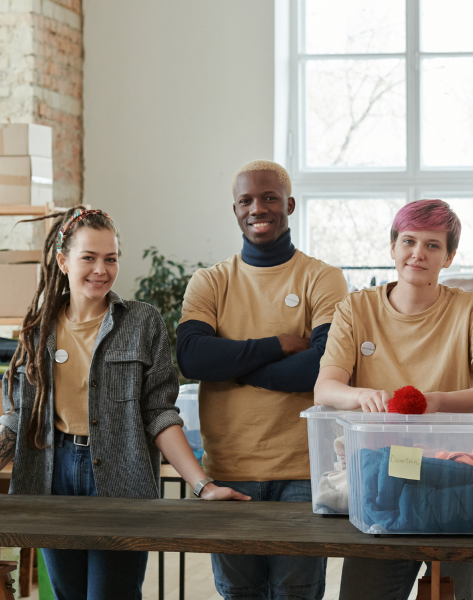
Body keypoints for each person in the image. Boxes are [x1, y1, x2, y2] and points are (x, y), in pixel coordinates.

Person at [0, 207, 248, 600]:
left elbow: (159, 414)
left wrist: (203, 485)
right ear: (63, 261)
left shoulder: (143, 322)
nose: (101, 270)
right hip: (52, 475)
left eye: (110, 258)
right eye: (88, 257)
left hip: (122, 478)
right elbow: (19, 418)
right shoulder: (38, 329)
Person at [313, 199, 473, 600]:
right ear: (392, 247)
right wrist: (364, 395)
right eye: (408, 241)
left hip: (456, 478)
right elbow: (325, 389)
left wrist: (435, 401)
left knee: (459, 594)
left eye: (433, 245)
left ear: (450, 256)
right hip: (382, 477)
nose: (418, 253)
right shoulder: (356, 307)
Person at [177, 160, 349, 600]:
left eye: (269, 197)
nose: (259, 208)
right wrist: (277, 344)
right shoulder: (210, 282)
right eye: (247, 200)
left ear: (289, 204)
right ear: (235, 209)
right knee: (239, 592)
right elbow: (192, 357)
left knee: (297, 592)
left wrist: (231, 362)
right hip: (229, 472)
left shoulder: (322, 278)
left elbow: (320, 368)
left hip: (304, 473)